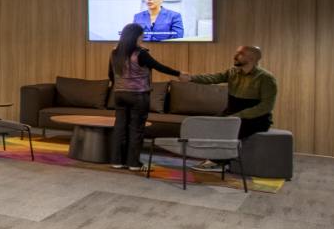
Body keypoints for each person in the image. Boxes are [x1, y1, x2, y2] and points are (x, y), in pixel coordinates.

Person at [107, 23, 180, 170]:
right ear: (136, 36)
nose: (143, 37)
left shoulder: (115, 53)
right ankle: (133, 163)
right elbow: (159, 66)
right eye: (142, 34)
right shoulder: (141, 53)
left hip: (119, 94)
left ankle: (116, 161)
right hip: (138, 96)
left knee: (120, 127)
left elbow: (110, 74)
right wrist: (179, 74)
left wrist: (120, 86)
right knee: (136, 129)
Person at [184, 45, 278, 140]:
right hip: (232, 114)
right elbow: (213, 78)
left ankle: (229, 154)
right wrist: (191, 78)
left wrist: (237, 116)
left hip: (255, 119)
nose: (235, 56)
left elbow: (266, 106)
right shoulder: (232, 72)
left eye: (241, 54)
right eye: (236, 52)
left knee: (222, 132)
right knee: (206, 126)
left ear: (252, 58)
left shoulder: (266, 78)